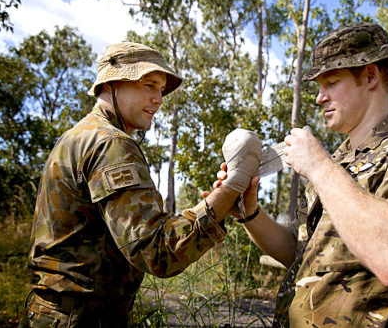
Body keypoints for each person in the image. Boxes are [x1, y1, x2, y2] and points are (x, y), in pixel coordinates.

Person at [213, 22, 388, 327]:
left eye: (331, 82)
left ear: (369, 76)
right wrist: (249, 213)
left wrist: (319, 167)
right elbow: (302, 253)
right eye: (318, 86)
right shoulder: (337, 161)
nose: (319, 97)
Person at [20, 42, 255, 328]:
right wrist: (231, 188)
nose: (158, 98)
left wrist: (217, 201)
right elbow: (157, 252)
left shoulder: (79, 135)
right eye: (148, 85)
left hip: (56, 314)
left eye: (161, 89)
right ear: (111, 83)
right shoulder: (111, 144)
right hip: (81, 318)